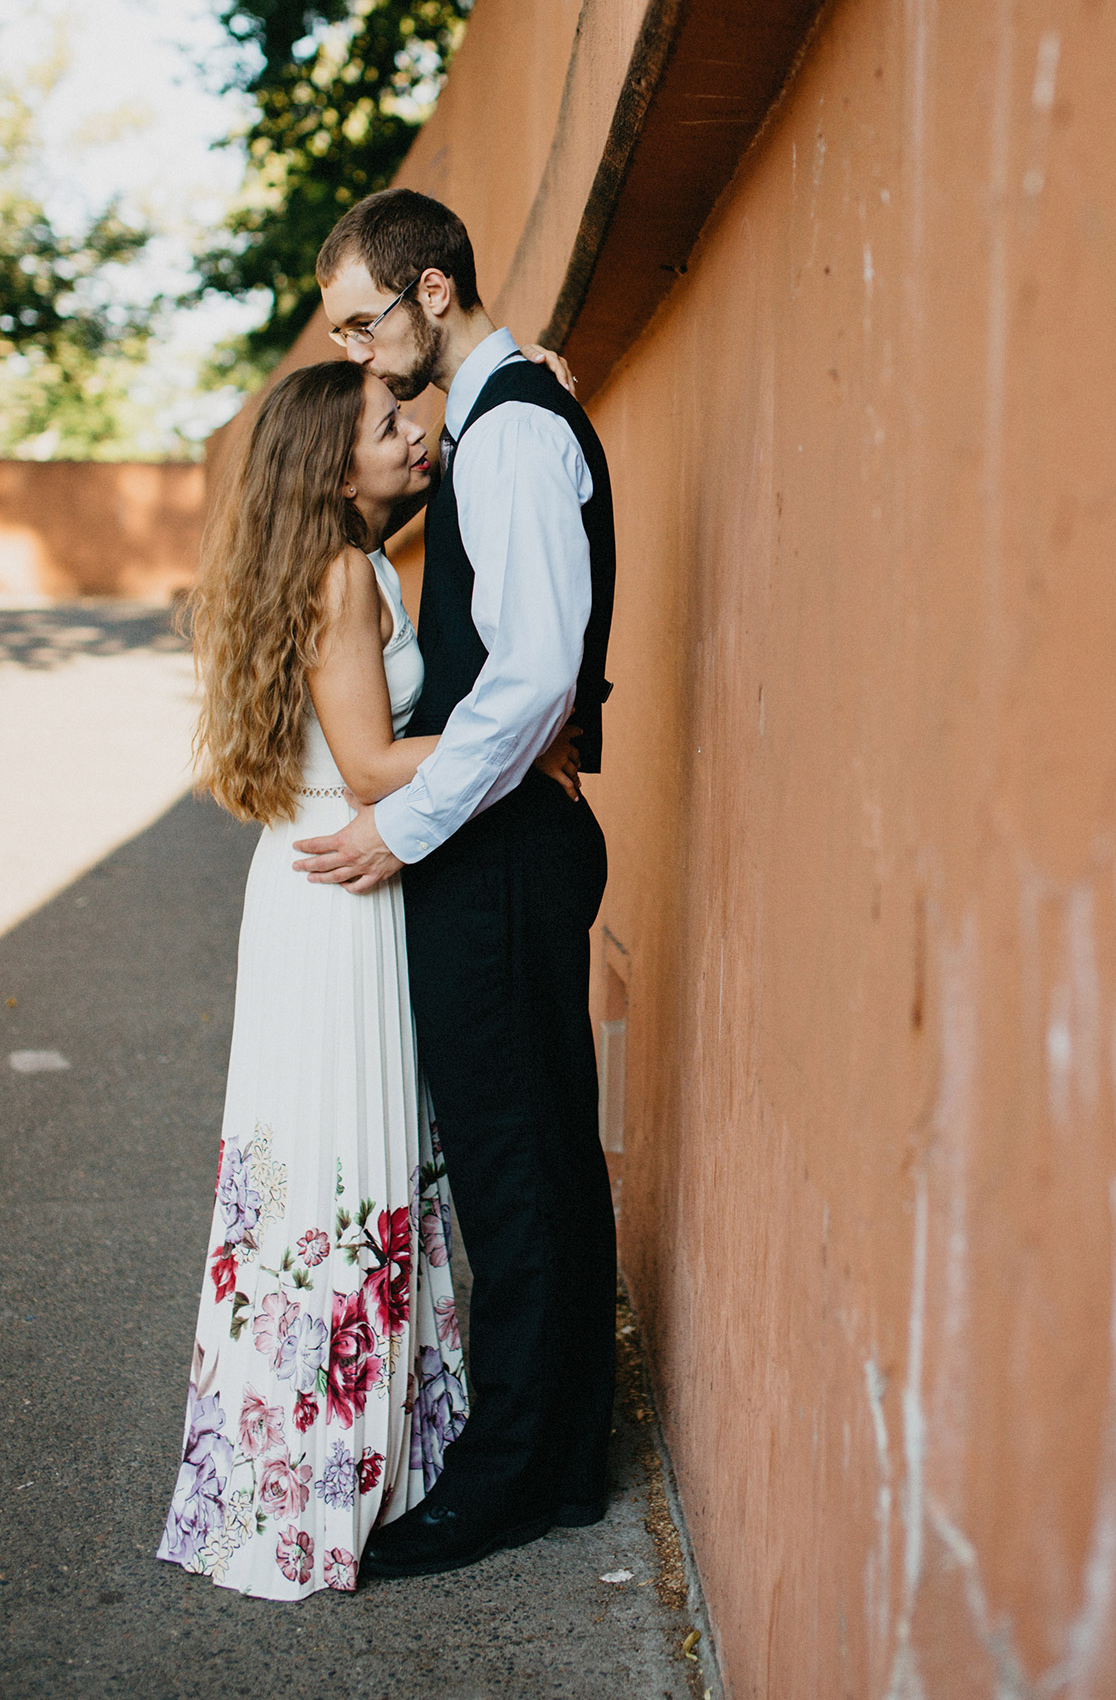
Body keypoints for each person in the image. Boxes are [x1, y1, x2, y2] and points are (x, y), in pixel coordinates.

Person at [157, 359, 578, 1598]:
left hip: (310, 884)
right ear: (329, 466)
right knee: (353, 1166)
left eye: (410, 411)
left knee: (318, 1174)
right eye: (387, 425)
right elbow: (374, 758)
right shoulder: (346, 573)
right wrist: (525, 739)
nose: (416, 433)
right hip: (348, 887)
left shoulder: (315, 562)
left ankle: (307, 1471)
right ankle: (336, 1478)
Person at [294, 186, 618, 1581]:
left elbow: (536, 672)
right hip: (498, 837)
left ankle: (504, 1478)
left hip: (491, 849)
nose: (363, 355)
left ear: (434, 292)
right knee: (539, 1145)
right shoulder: (502, 417)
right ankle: (561, 1463)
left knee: (513, 1160)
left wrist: (408, 824)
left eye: (369, 321)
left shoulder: (513, 436)